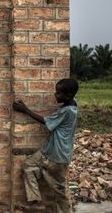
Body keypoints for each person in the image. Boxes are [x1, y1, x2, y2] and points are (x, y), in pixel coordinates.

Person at [12, 78, 79, 213]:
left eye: (58, 93)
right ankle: (35, 201)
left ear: (68, 95)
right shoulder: (72, 105)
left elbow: (46, 122)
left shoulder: (67, 112)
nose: (55, 95)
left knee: (59, 191)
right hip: (48, 151)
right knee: (28, 165)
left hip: (58, 156)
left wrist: (25, 109)